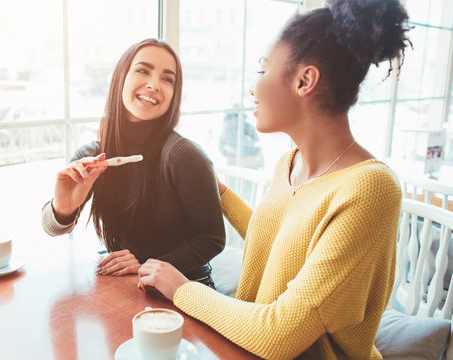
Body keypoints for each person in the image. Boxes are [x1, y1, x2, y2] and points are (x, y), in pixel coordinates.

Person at [137, 0, 411, 358]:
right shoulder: (289, 163)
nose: (253, 88)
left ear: (304, 80)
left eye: (262, 71)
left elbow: (279, 335)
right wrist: (221, 193)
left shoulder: (371, 189)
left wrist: (181, 288)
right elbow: (283, 249)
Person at [41, 38, 225, 288]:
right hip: (127, 283)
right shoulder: (94, 156)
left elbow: (211, 238)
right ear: (120, 78)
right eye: (143, 70)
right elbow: (52, 229)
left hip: (186, 289)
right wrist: (62, 207)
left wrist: (146, 266)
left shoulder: (184, 155)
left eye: (167, 79)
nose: (154, 84)